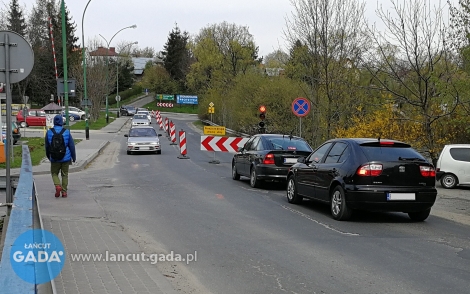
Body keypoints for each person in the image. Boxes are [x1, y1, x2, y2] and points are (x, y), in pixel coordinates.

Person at [45, 114, 76, 198]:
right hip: (65, 157)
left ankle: (57, 185)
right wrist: (73, 157)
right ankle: (64, 192)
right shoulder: (66, 131)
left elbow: (47, 146)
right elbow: (71, 146)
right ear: (62, 122)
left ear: (54, 121)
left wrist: (49, 156)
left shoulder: (49, 132)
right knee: (65, 174)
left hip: (54, 158)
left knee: (54, 173)